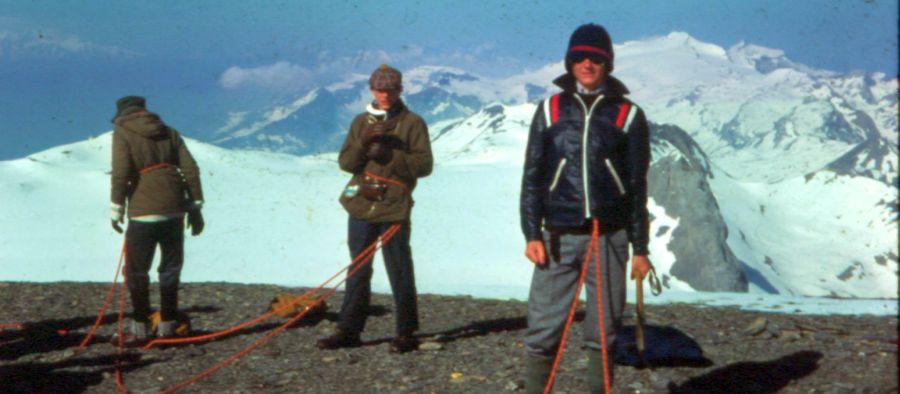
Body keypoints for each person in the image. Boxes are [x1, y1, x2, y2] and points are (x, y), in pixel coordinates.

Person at [519, 24, 654, 393]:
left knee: (604, 330)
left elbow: (638, 187)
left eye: (596, 58)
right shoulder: (550, 109)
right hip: (558, 235)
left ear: (608, 63)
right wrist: (532, 233)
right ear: (569, 62)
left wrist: (640, 248)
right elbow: (532, 176)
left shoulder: (628, 114)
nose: (587, 64)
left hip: (609, 237)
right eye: (579, 57)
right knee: (544, 327)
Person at [317, 65, 433, 354]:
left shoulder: (413, 123)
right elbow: (346, 163)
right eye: (380, 90)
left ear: (400, 90)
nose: (385, 95)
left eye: (391, 90)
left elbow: (424, 166)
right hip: (361, 204)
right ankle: (348, 331)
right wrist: (364, 142)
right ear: (372, 90)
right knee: (358, 268)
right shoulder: (360, 122)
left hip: (393, 207)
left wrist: (389, 156)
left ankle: (406, 332)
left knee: (399, 270)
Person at [110, 96, 205, 343]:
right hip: (175, 207)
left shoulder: (122, 133)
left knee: (137, 271)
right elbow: (191, 169)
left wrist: (116, 208)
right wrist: (195, 207)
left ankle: (140, 327)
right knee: (170, 268)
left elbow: (120, 173)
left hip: (143, 210)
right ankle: (168, 326)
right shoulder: (169, 132)